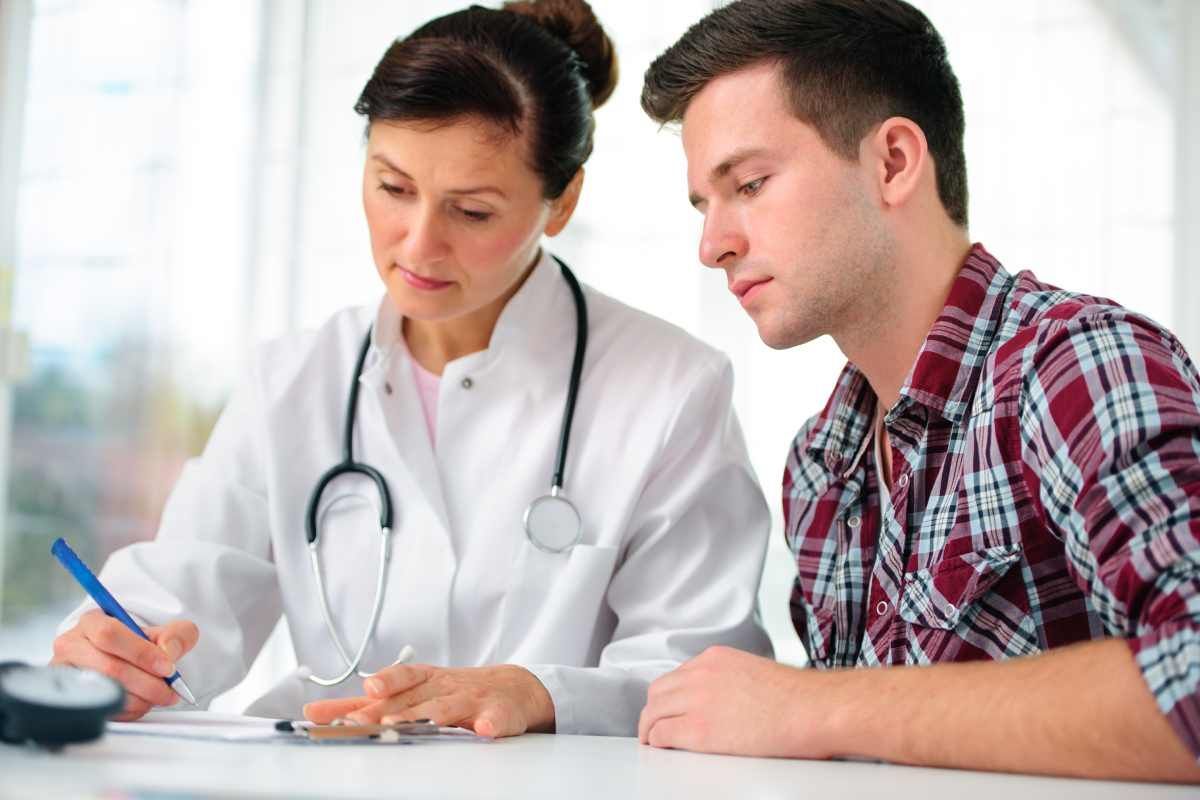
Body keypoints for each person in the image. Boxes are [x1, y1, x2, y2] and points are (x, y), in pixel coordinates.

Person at [50, 0, 772, 738]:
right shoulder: (295, 381)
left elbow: (699, 674)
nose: (418, 246)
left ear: (562, 203)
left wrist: (538, 694)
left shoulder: (673, 389)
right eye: (393, 189)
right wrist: (119, 648)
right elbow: (183, 594)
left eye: (473, 211)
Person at [635, 0, 1200, 783]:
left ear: (894, 161)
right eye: (704, 203)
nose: (712, 244)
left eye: (751, 184)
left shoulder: (1078, 367)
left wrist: (808, 706)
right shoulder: (820, 464)